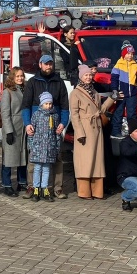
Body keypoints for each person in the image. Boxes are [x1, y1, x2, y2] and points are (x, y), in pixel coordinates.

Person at [22, 55, 70, 198]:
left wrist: (63, 123)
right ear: (40, 64)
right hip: (36, 128)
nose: (48, 67)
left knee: (57, 157)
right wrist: (27, 124)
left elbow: (65, 107)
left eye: (50, 64)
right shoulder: (32, 82)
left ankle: (57, 188)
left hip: (54, 128)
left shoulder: (59, 82)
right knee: (33, 158)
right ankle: (32, 187)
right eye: (46, 64)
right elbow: (25, 106)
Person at [69, 64, 114, 199]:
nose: (88, 77)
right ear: (81, 77)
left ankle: (97, 191)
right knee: (85, 161)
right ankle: (84, 191)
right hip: (85, 130)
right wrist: (80, 132)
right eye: (86, 75)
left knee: (97, 161)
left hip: (97, 129)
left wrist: (112, 99)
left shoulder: (94, 92)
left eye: (89, 75)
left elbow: (99, 110)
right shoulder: (75, 93)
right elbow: (74, 115)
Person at [0, 67, 28, 196]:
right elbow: (5, 113)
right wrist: (9, 131)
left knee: (23, 156)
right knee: (9, 158)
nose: (20, 78)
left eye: (21, 76)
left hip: (24, 128)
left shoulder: (26, 89)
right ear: (12, 77)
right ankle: (7, 184)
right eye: (17, 76)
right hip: (13, 127)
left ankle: (22, 182)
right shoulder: (8, 92)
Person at [28, 92, 60, 202]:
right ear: (42, 104)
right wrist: (31, 146)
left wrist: (56, 147)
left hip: (49, 148)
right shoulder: (36, 115)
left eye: (50, 103)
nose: (49, 106)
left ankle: (45, 189)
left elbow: (57, 134)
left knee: (46, 169)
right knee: (37, 168)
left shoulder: (55, 116)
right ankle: (36, 189)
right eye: (46, 103)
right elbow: (31, 132)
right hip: (38, 148)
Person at [110, 41, 137, 137]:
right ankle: (115, 132)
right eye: (128, 53)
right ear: (123, 54)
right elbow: (114, 79)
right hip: (121, 93)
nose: (130, 56)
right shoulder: (118, 65)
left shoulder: (135, 65)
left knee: (132, 115)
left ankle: (132, 133)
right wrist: (114, 90)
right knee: (118, 113)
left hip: (132, 94)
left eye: (131, 54)